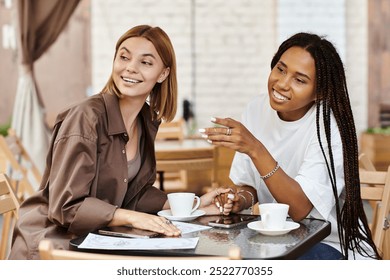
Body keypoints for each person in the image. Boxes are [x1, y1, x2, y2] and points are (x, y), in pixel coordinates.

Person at [8, 25, 229, 260]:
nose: (130, 68)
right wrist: (133, 217)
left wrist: (192, 204)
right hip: (52, 247)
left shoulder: (144, 121)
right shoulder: (86, 118)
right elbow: (66, 207)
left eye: (145, 62)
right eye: (124, 57)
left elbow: (133, 194)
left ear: (163, 74)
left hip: (94, 243)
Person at [199, 32, 381, 260]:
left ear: (320, 92)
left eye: (300, 80)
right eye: (281, 69)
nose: (282, 83)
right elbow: (249, 186)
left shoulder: (328, 125)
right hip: (274, 242)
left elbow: (299, 210)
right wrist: (239, 199)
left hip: (329, 244)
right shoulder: (256, 108)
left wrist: (255, 148)